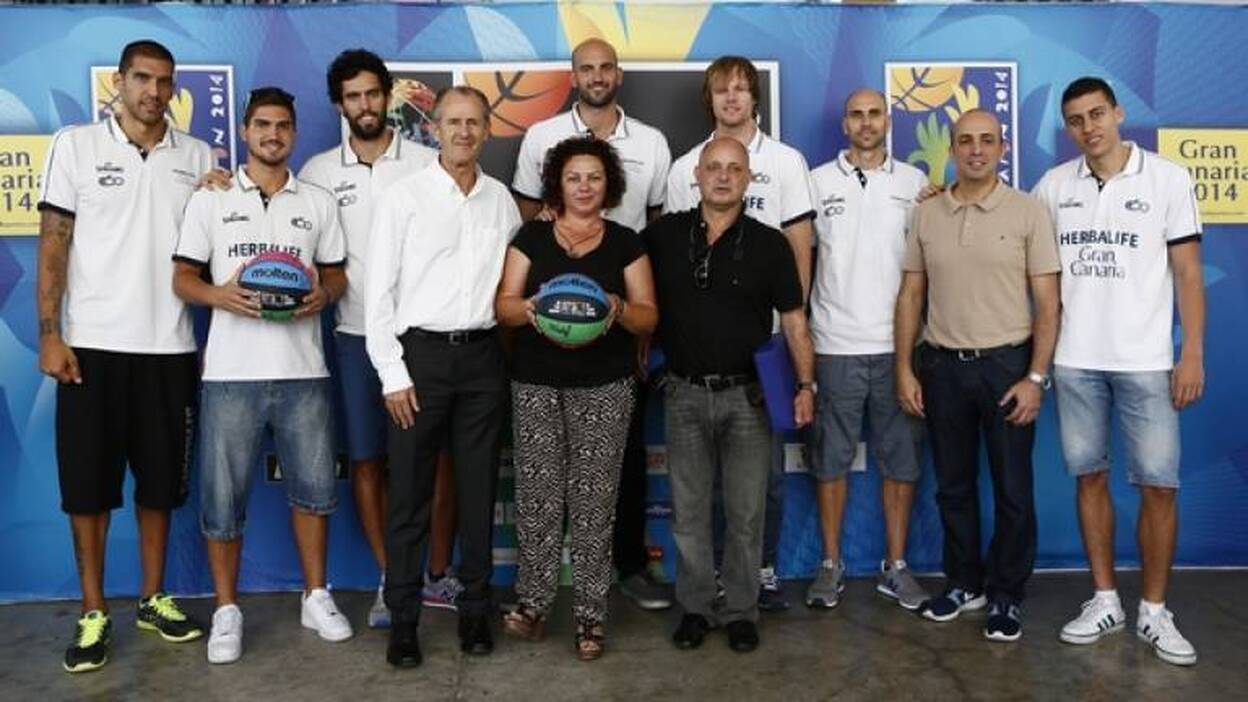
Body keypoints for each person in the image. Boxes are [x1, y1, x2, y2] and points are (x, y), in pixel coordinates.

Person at [36, 39, 215, 674]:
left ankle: (152, 598)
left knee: (160, 487)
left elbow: (212, 243)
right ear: (119, 81)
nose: (153, 92)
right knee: (88, 490)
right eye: (142, 78)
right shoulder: (76, 146)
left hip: (170, 348)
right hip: (91, 347)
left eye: (164, 82)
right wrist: (50, 333)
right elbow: (53, 244)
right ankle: (92, 611)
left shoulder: (199, 156)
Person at [173, 87, 352, 664]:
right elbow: (183, 279)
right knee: (223, 500)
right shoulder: (212, 199)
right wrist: (220, 295)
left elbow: (336, 275)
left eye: (283, 126)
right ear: (245, 131)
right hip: (231, 374)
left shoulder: (317, 201)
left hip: (304, 371)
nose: (273, 134)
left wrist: (324, 295)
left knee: (315, 492)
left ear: (293, 133)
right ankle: (227, 610)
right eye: (263, 125)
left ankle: (315, 595)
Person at [1033, 77, 1205, 666]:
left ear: (1118, 113)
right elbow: (1020, 243)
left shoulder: (1168, 179)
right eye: (1076, 120)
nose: (1089, 128)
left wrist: (1192, 352)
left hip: (1147, 363)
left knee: (1159, 485)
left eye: (1097, 114)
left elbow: (1188, 273)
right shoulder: (1054, 186)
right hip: (1075, 361)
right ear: (1068, 128)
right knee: (1090, 479)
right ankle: (1105, 600)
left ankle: (1155, 611)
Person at [298, 49, 462, 626]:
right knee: (368, 460)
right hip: (353, 336)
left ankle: (436, 574)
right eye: (353, 96)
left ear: (387, 96)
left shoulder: (425, 161)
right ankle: (393, 579)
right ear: (338, 104)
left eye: (372, 93)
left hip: (419, 338)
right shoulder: (317, 172)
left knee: (437, 459)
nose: (364, 105)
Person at [512, 38, 673, 610]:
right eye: (587, 68)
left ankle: (626, 567)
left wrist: (637, 324)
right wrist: (541, 307)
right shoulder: (541, 137)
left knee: (618, 462)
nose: (597, 76)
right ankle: (536, 594)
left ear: (618, 75)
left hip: (619, 321)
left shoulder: (651, 143)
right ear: (574, 75)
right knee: (543, 476)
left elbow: (656, 232)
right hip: (551, 326)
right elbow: (527, 221)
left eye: (606, 67)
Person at [365, 86, 521, 668]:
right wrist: (392, 374)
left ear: (487, 131)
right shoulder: (403, 197)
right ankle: (404, 621)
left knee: (478, 494)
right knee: (409, 496)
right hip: (419, 361)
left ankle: (475, 611)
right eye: (453, 122)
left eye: (474, 122)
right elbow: (377, 293)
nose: (463, 132)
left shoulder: (501, 201)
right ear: (433, 128)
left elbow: (511, 287)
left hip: (482, 359)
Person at [895, 109, 1060, 643]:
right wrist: (904, 367)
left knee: (1013, 489)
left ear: (1002, 148)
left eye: (987, 141)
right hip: (941, 366)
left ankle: (1007, 594)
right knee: (953, 487)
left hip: (1007, 367)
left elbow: (1049, 304)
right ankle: (965, 583)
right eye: (965, 141)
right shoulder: (928, 213)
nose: (976, 150)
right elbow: (911, 295)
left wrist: (1035, 377)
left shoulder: (1029, 211)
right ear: (951, 149)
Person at [646, 137, 815, 653]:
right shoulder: (662, 236)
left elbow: (794, 321)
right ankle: (697, 609)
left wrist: (806, 385)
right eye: (714, 167)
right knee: (689, 513)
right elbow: (624, 280)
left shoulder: (770, 244)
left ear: (748, 179)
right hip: (683, 394)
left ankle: (741, 610)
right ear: (696, 175)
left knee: (745, 514)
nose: (723, 176)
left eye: (734, 169)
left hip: (749, 399)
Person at [496, 136, 658, 660]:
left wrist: (617, 308)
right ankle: (533, 606)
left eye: (594, 177)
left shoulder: (626, 242)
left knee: (594, 504)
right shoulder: (531, 237)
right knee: (538, 498)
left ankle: (591, 618)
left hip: (606, 384)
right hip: (536, 381)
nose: (584, 186)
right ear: (557, 185)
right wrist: (532, 308)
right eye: (573, 178)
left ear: (609, 184)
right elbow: (504, 307)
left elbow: (648, 316)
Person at [804, 88, 929, 610]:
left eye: (875, 113)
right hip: (834, 344)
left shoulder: (914, 184)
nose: (866, 122)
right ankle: (830, 564)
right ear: (845, 124)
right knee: (830, 460)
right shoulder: (816, 181)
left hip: (900, 348)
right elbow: (803, 261)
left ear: (888, 121)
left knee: (901, 461)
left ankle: (895, 566)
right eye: (856, 114)